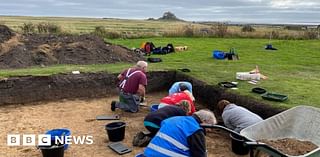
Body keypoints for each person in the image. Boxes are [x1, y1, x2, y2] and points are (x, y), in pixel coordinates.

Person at [143, 109, 217, 157]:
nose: (209, 130)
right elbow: (200, 155)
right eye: (210, 127)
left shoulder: (173, 119)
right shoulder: (195, 129)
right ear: (204, 121)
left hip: (148, 154)